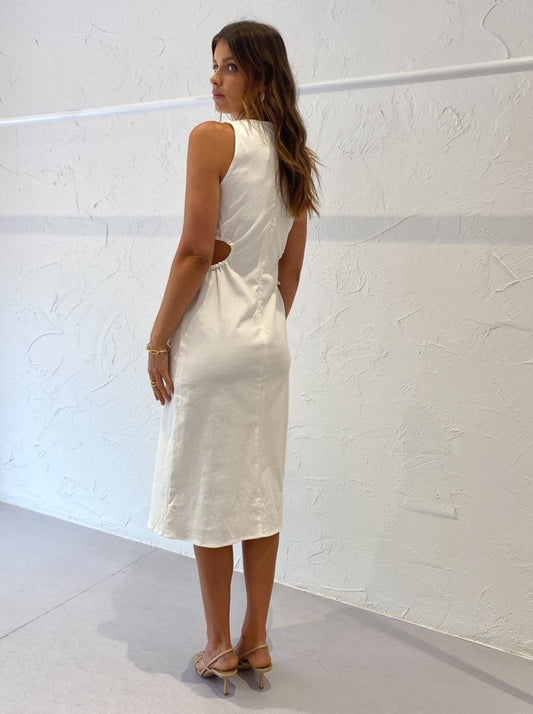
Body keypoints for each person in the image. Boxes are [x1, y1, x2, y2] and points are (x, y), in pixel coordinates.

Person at [146, 20, 319, 695]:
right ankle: (258, 639)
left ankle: (219, 645)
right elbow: (288, 272)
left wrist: (158, 339)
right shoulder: (294, 155)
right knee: (258, 489)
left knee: (214, 491)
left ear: (260, 74)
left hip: (214, 341)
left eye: (228, 67)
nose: (214, 79)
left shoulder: (212, 139)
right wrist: (261, 326)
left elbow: (195, 251)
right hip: (267, 342)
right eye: (214, 66)